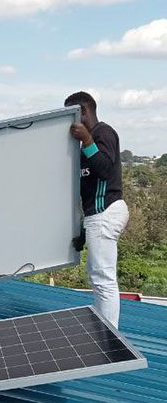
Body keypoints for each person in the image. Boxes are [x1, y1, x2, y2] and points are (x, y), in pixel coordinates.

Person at [65, 91, 128, 328]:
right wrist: (82, 228)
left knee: (103, 279)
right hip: (97, 216)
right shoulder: (83, 149)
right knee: (97, 275)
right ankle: (105, 326)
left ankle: (109, 334)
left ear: (82, 112)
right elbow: (88, 191)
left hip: (107, 212)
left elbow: (105, 170)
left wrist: (88, 140)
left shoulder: (103, 132)